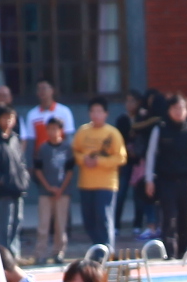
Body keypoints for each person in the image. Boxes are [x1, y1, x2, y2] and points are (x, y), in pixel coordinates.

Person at [147, 92, 187, 255]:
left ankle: (183, 252)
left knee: (186, 219)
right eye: (175, 108)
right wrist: (149, 179)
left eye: (182, 108)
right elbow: (151, 155)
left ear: (186, 110)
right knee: (169, 218)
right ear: (169, 110)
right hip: (166, 180)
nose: (178, 112)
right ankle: (170, 253)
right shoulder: (160, 129)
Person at [71, 98, 127, 251]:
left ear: (106, 114)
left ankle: (107, 251)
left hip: (106, 184)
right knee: (89, 220)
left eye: (99, 111)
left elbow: (121, 158)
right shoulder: (83, 131)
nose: (96, 114)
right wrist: (83, 159)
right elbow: (74, 152)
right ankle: (96, 249)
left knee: (103, 218)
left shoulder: (112, 133)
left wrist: (99, 162)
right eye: (93, 111)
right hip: (86, 183)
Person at [0, 102, 30, 253]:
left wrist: (24, 178)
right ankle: (2, 257)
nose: (8, 121)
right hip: (1, 192)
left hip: (17, 188)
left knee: (16, 223)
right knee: (2, 226)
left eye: (11, 118)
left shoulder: (15, 139)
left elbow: (21, 162)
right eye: (5, 118)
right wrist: (0, 179)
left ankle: (14, 256)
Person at [30, 115, 74, 261]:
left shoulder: (67, 148)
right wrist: (48, 187)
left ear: (61, 130)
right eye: (49, 129)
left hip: (63, 192)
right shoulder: (43, 148)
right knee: (43, 224)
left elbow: (70, 171)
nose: (52, 132)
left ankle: (58, 252)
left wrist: (61, 188)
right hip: (45, 192)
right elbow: (38, 170)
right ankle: (40, 253)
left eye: (55, 129)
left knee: (60, 224)